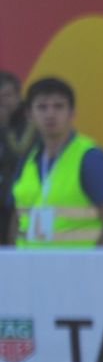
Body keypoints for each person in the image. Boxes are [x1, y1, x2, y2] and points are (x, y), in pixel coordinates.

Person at [8, 76, 103, 247]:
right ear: (29, 115)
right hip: (30, 270)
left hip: (76, 270)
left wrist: (91, 267)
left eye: (58, 106)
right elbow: (17, 219)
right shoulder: (27, 160)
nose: (50, 114)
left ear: (72, 113)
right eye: (42, 107)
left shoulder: (90, 158)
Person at [0, 70, 26, 245]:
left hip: (14, 210)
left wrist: (3, 128)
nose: (1, 101)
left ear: (18, 98)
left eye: (6, 95)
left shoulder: (30, 129)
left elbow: (18, 157)